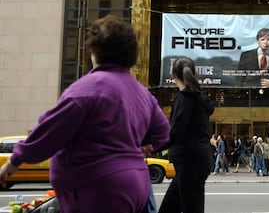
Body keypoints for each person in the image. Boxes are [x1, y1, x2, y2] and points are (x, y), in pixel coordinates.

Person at [0, 15, 170, 212]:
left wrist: (13, 162)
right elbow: (163, 132)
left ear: (94, 52)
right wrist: (143, 147)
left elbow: (49, 132)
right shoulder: (142, 93)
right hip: (136, 183)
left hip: (97, 187)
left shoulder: (86, 90)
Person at [158, 57, 215, 213]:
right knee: (169, 207)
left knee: (191, 208)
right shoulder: (199, 97)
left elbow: (175, 132)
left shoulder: (185, 98)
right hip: (195, 160)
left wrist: (154, 145)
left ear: (173, 75)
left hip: (190, 160)